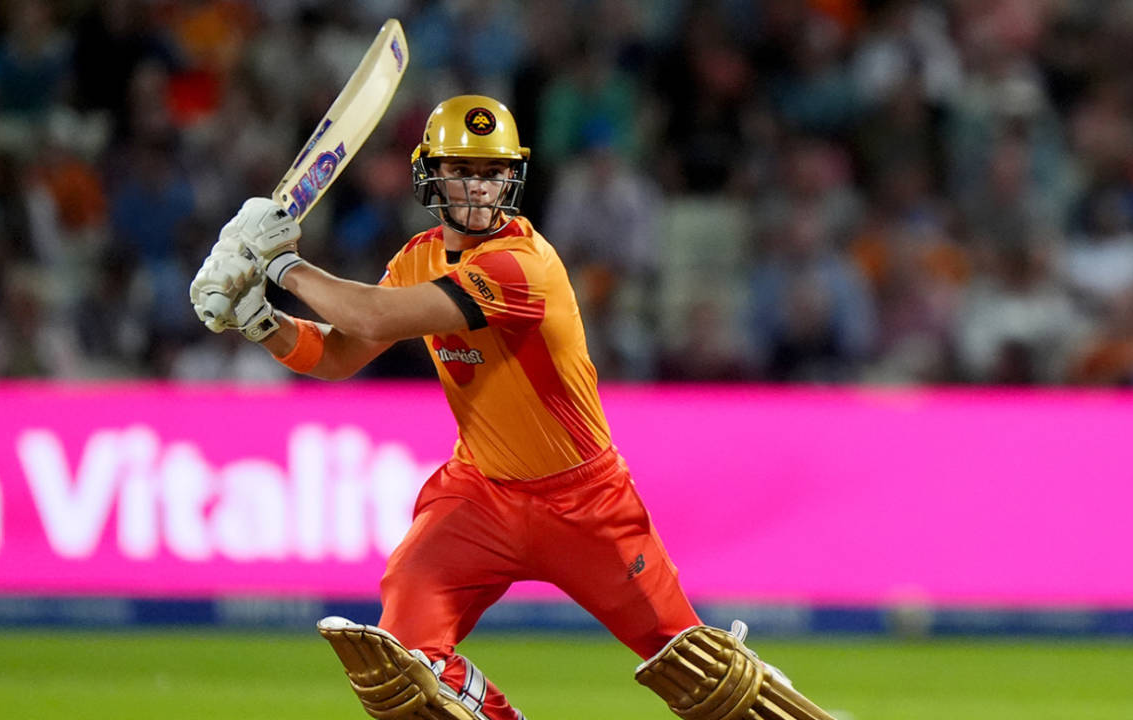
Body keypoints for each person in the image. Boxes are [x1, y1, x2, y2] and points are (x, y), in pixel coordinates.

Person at [189, 95, 835, 720]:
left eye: (491, 172)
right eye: (461, 171)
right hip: (480, 496)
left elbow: (372, 312)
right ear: (431, 175)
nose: (476, 188)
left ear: (512, 178)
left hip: (586, 505)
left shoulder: (519, 266)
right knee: (401, 662)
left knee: (698, 673)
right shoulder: (417, 259)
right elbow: (339, 354)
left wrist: (280, 264)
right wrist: (261, 321)